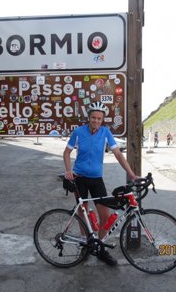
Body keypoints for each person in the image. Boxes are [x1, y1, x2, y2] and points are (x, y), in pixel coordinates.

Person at [63, 101, 138, 266]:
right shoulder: (78, 132)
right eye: (93, 117)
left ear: (102, 119)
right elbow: (67, 152)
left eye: (99, 118)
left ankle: (101, 247)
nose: (96, 121)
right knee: (84, 213)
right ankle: (85, 244)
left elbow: (118, 154)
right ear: (88, 118)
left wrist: (131, 174)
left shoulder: (105, 132)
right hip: (79, 177)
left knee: (104, 215)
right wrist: (68, 171)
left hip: (97, 179)